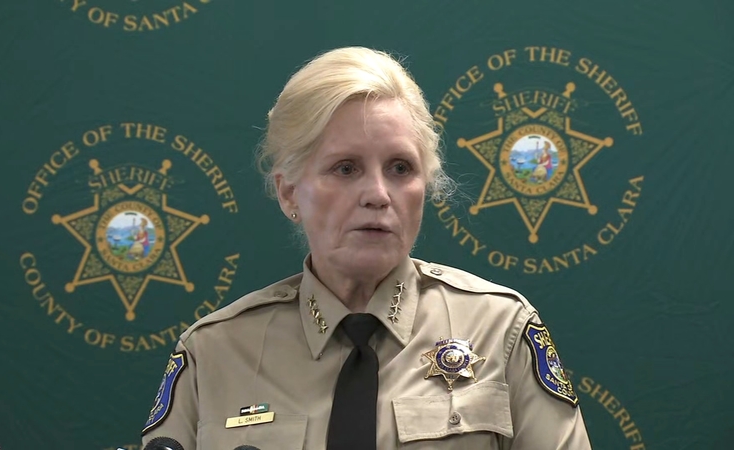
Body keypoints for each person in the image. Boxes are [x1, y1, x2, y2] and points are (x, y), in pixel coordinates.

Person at [141, 47, 592, 449]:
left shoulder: (501, 330)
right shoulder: (214, 353)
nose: (378, 194)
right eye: (345, 168)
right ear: (289, 192)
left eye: (400, 168)